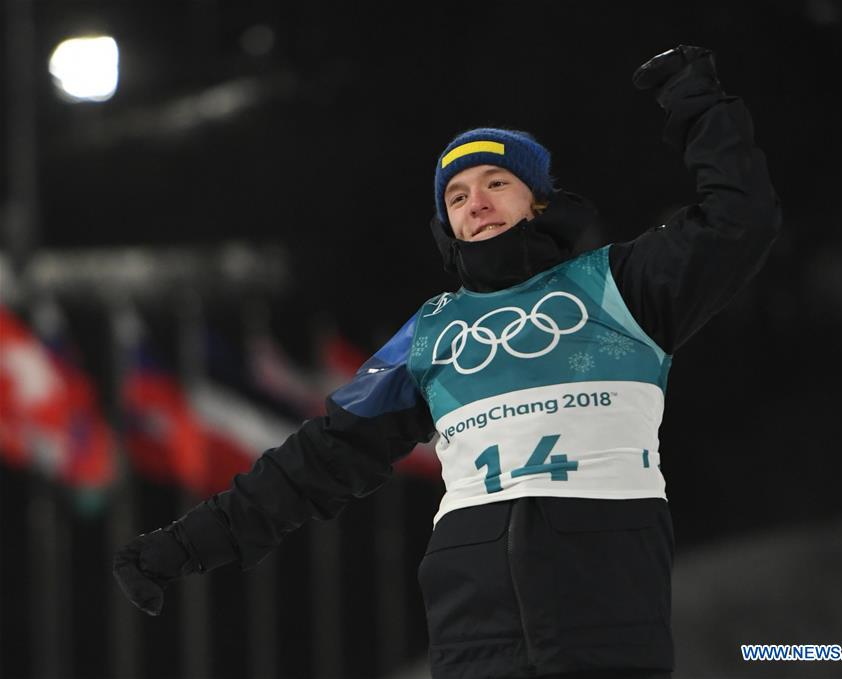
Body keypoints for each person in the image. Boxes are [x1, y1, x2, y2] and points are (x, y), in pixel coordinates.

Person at [114, 45, 781, 679]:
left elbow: (737, 222)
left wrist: (700, 105)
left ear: (539, 202)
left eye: (496, 182)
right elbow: (314, 462)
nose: (476, 203)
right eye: (457, 196)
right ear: (448, 225)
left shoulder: (619, 284)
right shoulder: (431, 330)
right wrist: (179, 547)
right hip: (473, 626)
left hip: (601, 610)